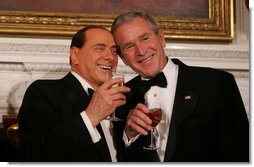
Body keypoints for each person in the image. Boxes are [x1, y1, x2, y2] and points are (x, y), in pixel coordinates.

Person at [111, 11, 249, 162]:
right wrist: (128, 135)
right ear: (123, 57)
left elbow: (241, 152)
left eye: (145, 38)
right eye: (129, 46)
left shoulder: (217, 83)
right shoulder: (121, 98)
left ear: (161, 38)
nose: (141, 51)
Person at [18, 26, 130, 162]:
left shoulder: (122, 99)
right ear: (75, 55)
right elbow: (33, 156)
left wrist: (129, 135)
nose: (110, 57)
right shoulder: (44, 92)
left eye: (114, 51)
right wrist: (90, 117)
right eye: (100, 48)